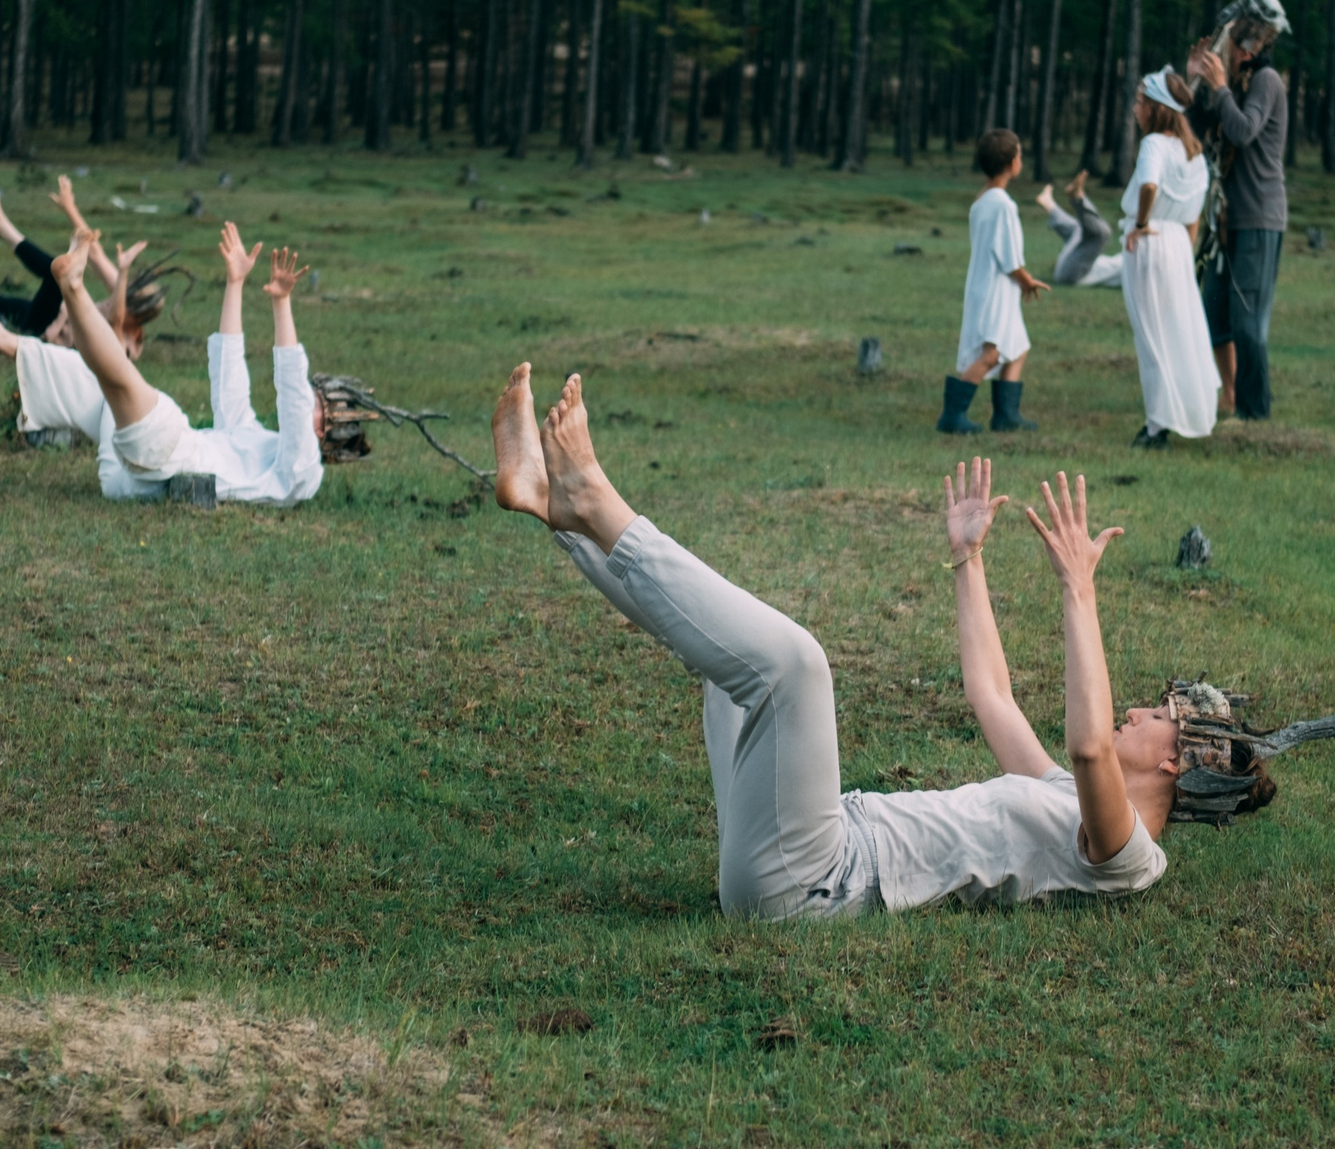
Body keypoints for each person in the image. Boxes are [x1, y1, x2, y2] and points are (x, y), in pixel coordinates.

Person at [495, 364, 1184, 917]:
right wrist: (967, 559)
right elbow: (993, 697)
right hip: (805, 856)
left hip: (818, 882)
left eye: (1153, 717)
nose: (1132, 711)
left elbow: (1091, 742)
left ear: (1177, 764)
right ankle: (558, 507)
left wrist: (1078, 588)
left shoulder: (1129, 854)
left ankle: (592, 496)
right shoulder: (1066, 796)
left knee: (796, 667)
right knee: (727, 660)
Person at [0, 221, 324, 507]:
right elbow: (228, 374)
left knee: (124, 381)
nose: (307, 399)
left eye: (316, 405)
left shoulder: (302, 473)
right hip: (131, 477)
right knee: (97, 381)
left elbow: (293, 394)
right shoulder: (253, 437)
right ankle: (7, 339)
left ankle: (74, 288)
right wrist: (235, 283)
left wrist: (281, 304)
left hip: (168, 454)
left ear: (324, 432)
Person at [0, 178, 164, 354]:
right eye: (125, 292)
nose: (119, 296)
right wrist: (70, 207)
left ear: (138, 318)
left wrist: (60, 324)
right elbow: (93, 250)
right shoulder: (122, 293)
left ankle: (1, 227)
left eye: (128, 299)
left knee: (56, 274)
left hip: (43, 336)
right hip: (47, 315)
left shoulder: (128, 340)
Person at [1186, 0, 1292, 420]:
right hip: (1226, 223)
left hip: (1258, 219)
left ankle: (1255, 415)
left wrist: (1221, 88)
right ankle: (1229, 399)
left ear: (1244, 47)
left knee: (1249, 327)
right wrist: (1196, 80)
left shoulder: (1266, 82)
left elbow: (1243, 131)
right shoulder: (1236, 84)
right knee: (1214, 317)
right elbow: (1204, 128)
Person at [1120, 67, 1218, 448]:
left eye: (1140, 101)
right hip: (1178, 243)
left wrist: (1141, 222)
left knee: (1152, 333)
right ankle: (1176, 412)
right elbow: (1194, 215)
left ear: (1155, 108)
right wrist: (1185, 252)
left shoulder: (1154, 146)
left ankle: (1157, 425)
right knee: (1178, 330)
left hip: (1152, 239)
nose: (1135, 108)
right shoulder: (1192, 151)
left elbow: (1148, 184)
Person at [939, 128, 1048, 435]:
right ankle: (953, 414)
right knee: (991, 354)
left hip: (988, 285)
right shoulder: (1003, 204)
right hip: (996, 290)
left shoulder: (982, 199)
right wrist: (1027, 281)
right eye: (1020, 155)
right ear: (1012, 163)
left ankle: (1006, 415)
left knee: (1018, 346)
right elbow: (1010, 257)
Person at [1033, 172, 1123, 288]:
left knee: (1102, 234)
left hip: (1074, 274)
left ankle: (1078, 198)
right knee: (1079, 229)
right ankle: (1050, 204)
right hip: (1072, 265)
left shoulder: (1140, 269)